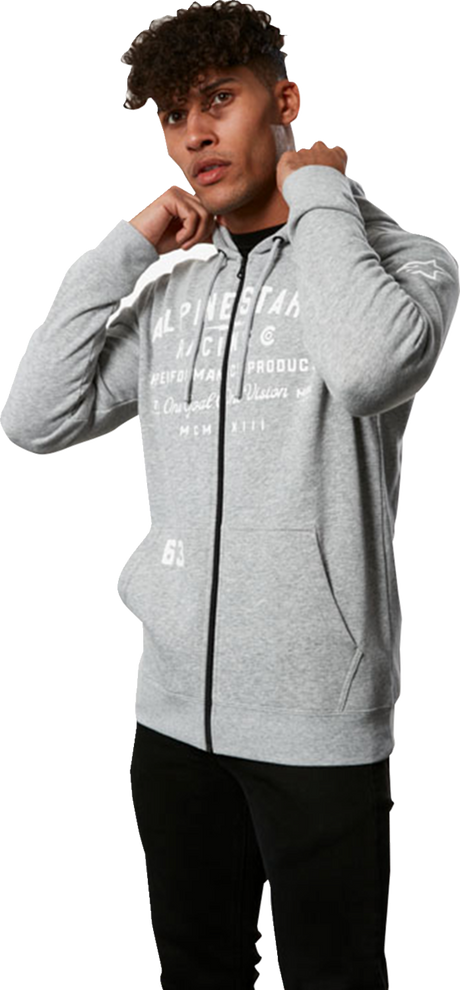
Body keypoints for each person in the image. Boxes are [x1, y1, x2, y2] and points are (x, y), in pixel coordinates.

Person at [1, 2, 459, 988]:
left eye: (218, 100)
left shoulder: (406, 262)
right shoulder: (176, 291)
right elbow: (34, 419)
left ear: (284, 102)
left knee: (331, 975)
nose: (193, 135)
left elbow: (371, 367)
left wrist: (320, 193)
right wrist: (127, 248)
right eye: (172, 116)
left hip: (317, 716)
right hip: (170, 713)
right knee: (194, 970)